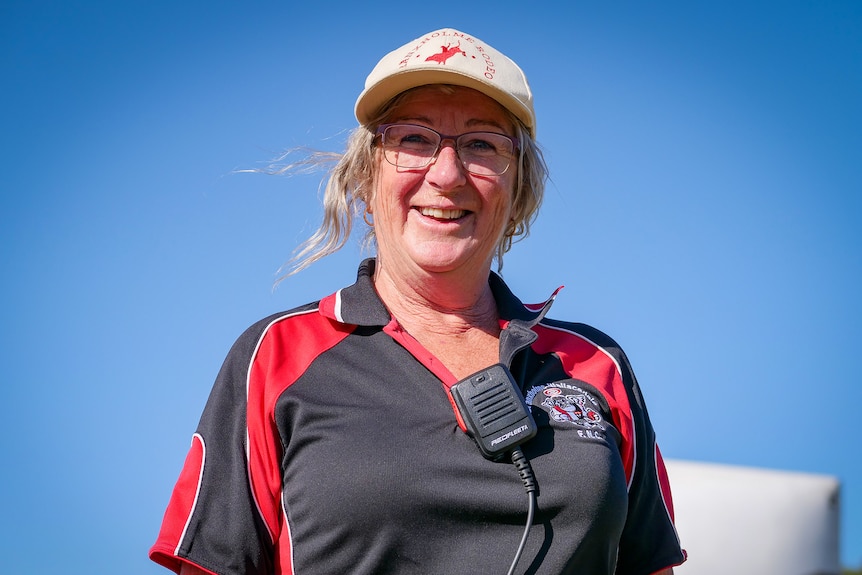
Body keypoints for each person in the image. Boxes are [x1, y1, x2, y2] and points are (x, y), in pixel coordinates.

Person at [149, 28, 686, 575]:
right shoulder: (277, 354)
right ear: (364, 176)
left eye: (483, 144)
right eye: (413, 140)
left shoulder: (596, 364)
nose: (447, 174)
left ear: (519, 185)